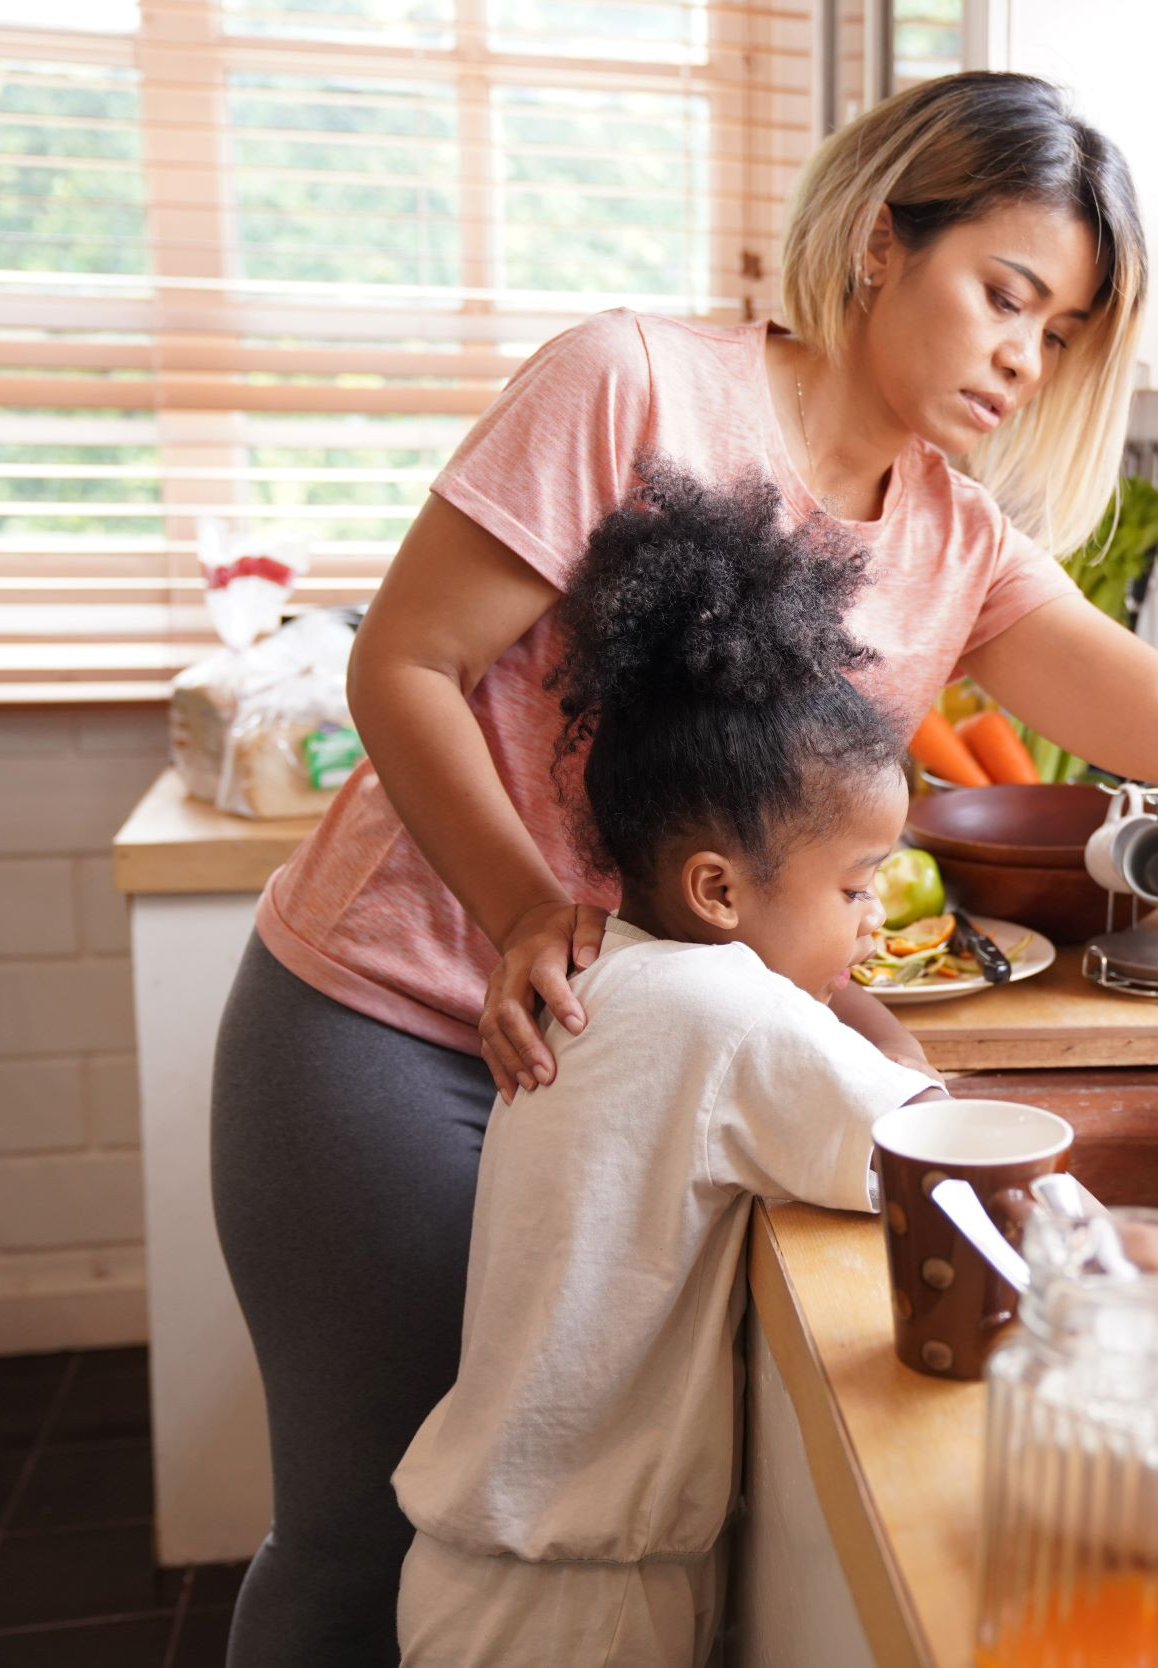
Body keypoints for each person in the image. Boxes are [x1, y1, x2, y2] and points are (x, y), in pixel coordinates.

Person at [212, 70, 1158, 1665]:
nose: (1026, 356)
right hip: (392, 1028)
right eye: (1004, 294)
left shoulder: (949, 538)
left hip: (628, 1066)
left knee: (490, 1544)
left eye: (1064, 331)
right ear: (885, 243)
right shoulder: (631, 387)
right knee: (360, 1541)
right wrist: (524, 908)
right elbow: (400, 664)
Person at [391, 466, 940, 1667]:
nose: (871, 915)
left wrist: (819, 953)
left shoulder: (628, 973)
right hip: (568, 1614)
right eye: (854, 888)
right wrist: (851, 996)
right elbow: (927, 1150)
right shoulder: (720, 1008)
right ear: (717, 891)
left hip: (498, 1580)